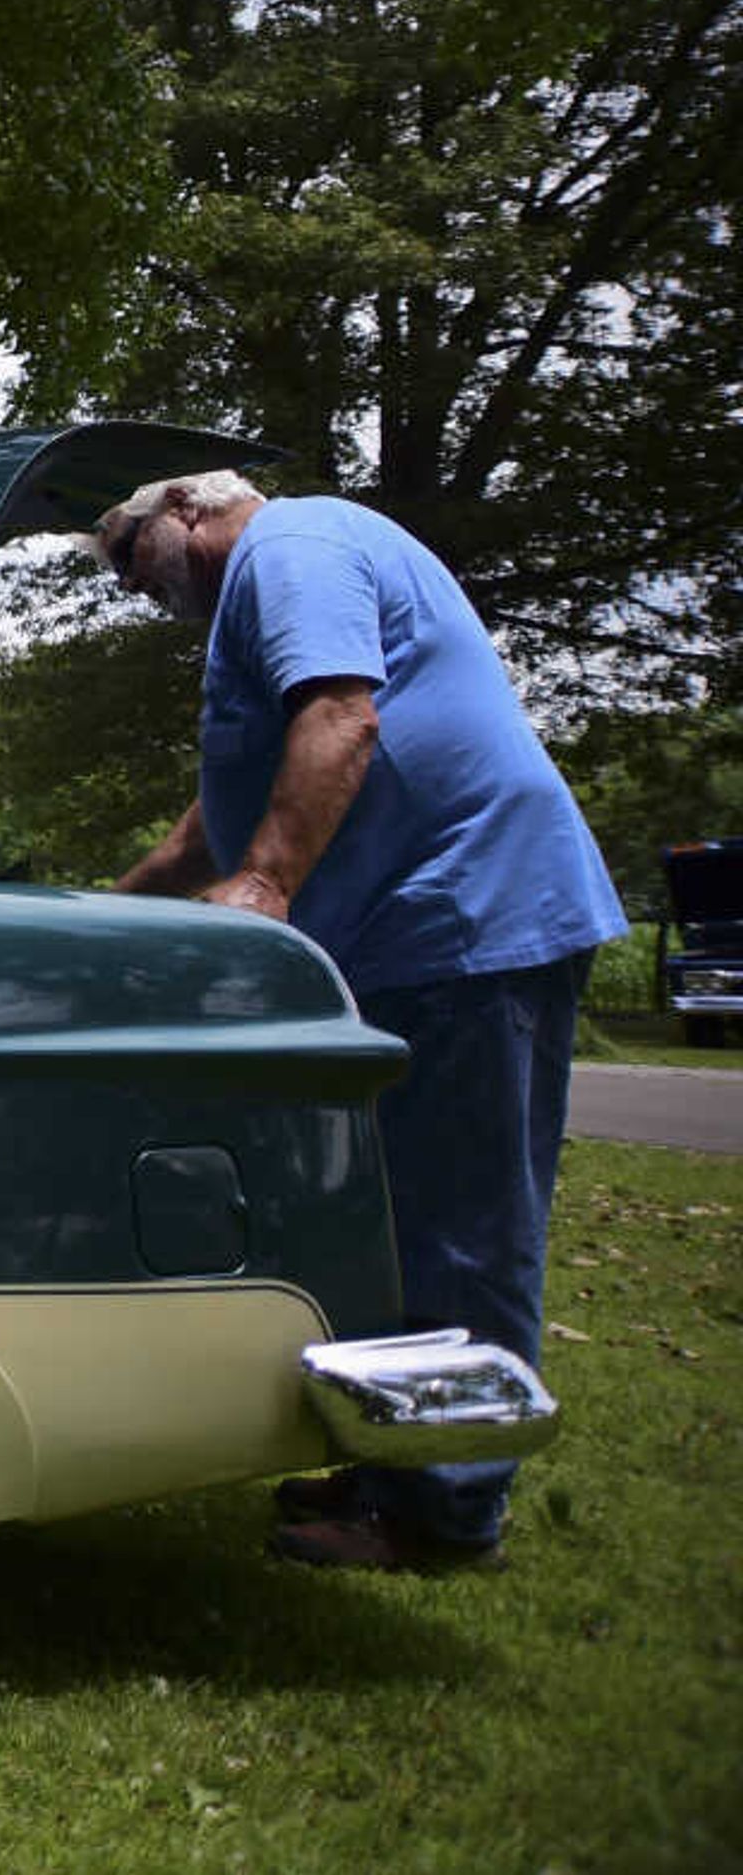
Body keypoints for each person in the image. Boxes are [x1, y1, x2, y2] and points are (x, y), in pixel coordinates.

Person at [91, 468, 624, 1572]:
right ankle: (396, 1463)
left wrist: (270, 886)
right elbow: (206, 832)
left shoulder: (294, 549)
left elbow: (344, 716)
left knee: (462, 1222)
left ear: (185, 509)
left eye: (135, 566)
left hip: (471, 921)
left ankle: (446, 1511)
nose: (143, 597)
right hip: (408, 941)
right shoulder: (262, 599)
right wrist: (99, 919)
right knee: (390, 1216)